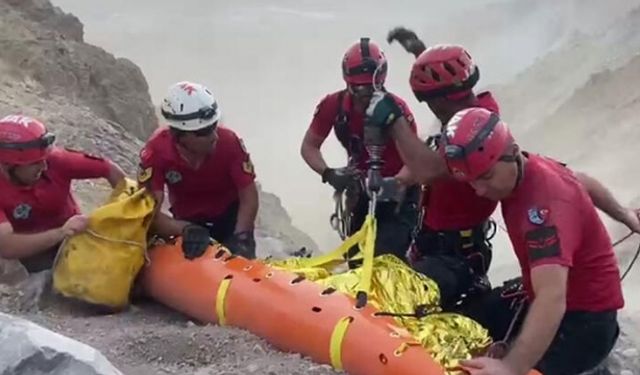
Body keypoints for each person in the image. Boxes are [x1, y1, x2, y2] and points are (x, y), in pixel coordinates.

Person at [364, 103, 628, 375]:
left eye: (486, 177)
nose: (480, 190)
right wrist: (626, 216)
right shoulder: (531, 164)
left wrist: (511, 367)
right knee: (459, 322)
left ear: (511, 153)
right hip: (540, 296)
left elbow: (552, 297)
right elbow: (581, 181)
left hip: (585, 323)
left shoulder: (543, 211)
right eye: (471, 181)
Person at [300, 37, 420, 261]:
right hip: (362, 193)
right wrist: (329, 173)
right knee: (355, 258)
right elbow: (309, 146)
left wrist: (396, 184)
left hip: (400, 197)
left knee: (386, 257)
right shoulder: (332, 106)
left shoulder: (397, 111)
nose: (366, 95)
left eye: (371, 88)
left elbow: (415, 162)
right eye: (359, 89)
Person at [138, 81, 258, 259]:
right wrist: (184, 229)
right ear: (180, 136)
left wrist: (241, 237)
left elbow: (248, 195)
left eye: (214, 127)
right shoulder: (156, 152)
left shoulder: (230, 143)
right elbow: (148, 212)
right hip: (187, 220)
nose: (214, 137)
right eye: (204, 132)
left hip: (229, 217)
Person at [0, 115, 125, 273]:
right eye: (35, 163)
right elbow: (6, 246)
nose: (44, 166)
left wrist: (123, 211)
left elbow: (110, 170)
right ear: (7, 165)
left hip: (74, 238)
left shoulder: (56, 161)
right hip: (26, 252)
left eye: (44, 159)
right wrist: (61, 233)